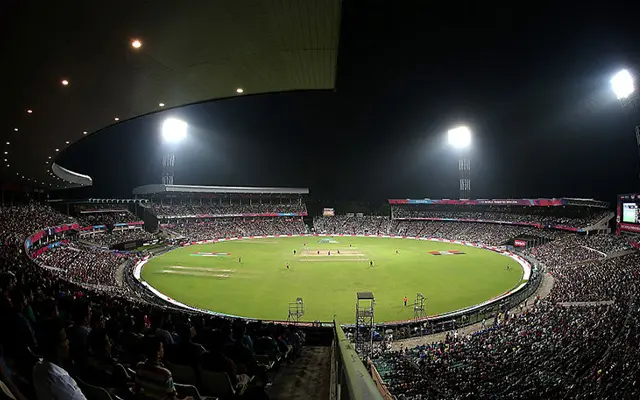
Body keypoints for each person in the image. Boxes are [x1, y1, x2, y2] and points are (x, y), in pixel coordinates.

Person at [33, 318, 88, 400]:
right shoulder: (63, 382)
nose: (68, 342)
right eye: (65, 339)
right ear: (57, 348)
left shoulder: (37, 367)